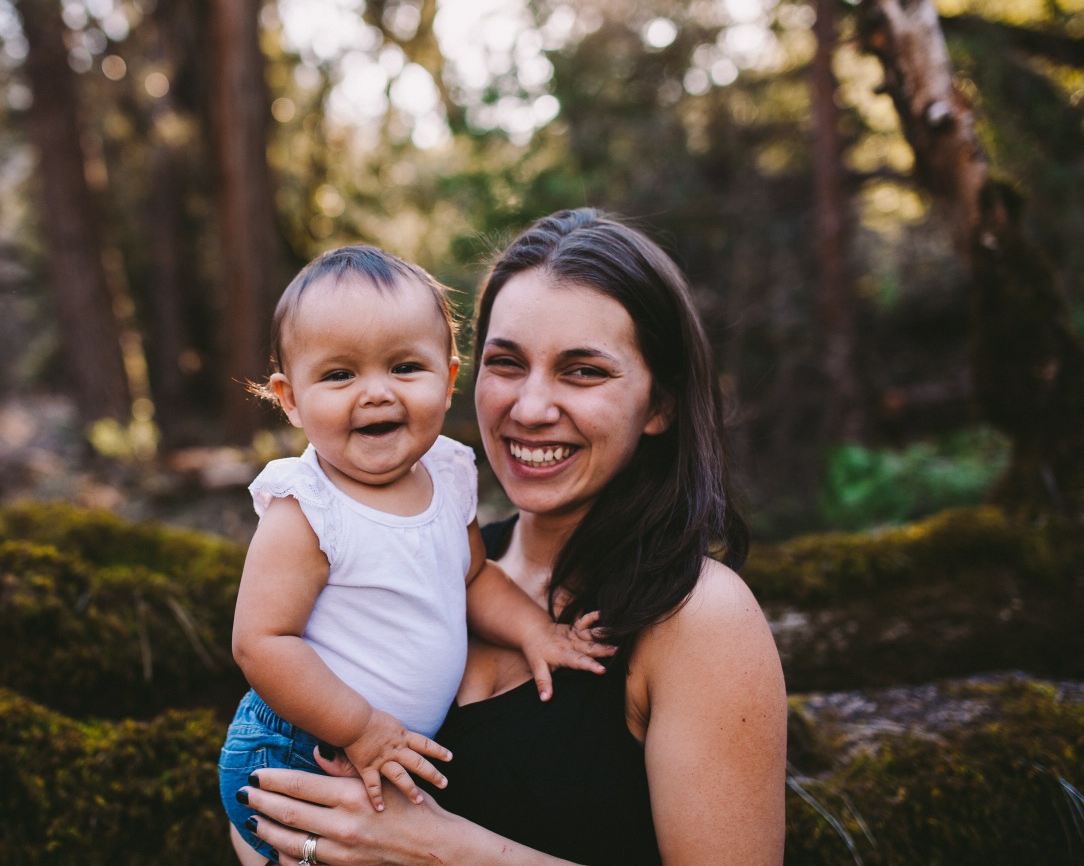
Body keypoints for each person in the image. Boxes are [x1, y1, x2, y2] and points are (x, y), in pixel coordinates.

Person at [236, 210, 788, 865]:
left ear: (660, 404)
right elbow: (271, 780)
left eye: (583, 371)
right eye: (507, 363)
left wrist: (446, 853)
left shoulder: (697, 617)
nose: (529, 408)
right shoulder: (430, 558)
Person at [219, 244, 615, 865]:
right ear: (290, 397)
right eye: (339, 375)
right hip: (304, 744)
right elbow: (261, 643)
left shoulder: (449, 473)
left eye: (405, 367)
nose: (376, 394)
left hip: (379, 752)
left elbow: (473, 576)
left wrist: (537, 632)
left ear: (450, 377)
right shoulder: (307, 508)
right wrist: (359, 728)